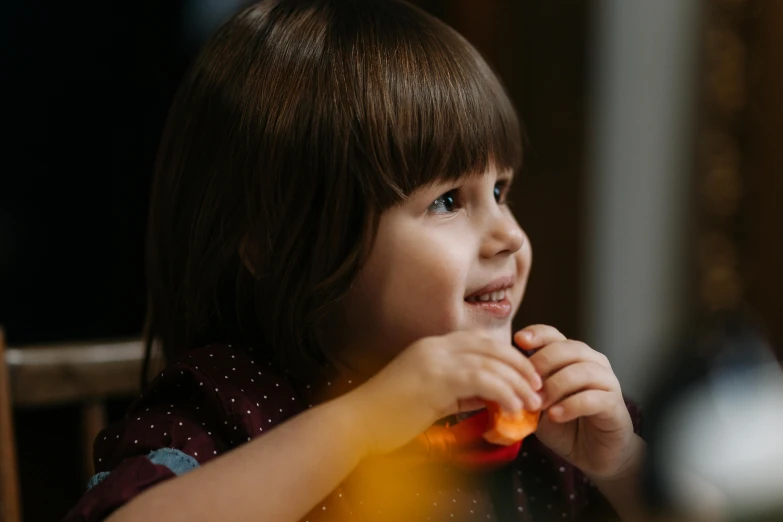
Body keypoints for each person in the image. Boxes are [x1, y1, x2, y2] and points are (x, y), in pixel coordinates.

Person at [64, 1, 646, 520]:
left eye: (500, 191)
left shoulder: (549, 429)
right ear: (273, 241)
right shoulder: (228, 407)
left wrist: (622, 468)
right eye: (447, 200)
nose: (509, 237)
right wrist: (363, 423)